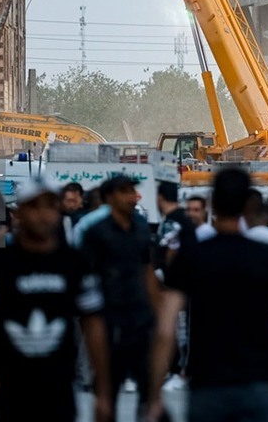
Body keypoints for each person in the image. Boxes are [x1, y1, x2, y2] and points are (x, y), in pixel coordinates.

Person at [148, 168, 268, 422]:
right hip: (258, 384)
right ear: (249, 203)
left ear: (212, 202)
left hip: (207, 385)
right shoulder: (267, 256)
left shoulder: (191, 256)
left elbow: (165, 329)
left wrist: (154, 396)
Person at [0, 174, 110, 422]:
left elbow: (94, 324)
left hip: (60, 385)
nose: (42, 214)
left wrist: (104, 389)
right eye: (34, 206)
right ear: (19, 212)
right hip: (11, 385)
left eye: (50, 206)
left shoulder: (76, 264)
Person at [80, 174, 158, 421]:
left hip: (140, 318)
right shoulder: (95, 232)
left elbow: (147, 269)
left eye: (132, 191)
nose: (131, 197)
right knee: (108, 388)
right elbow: (85, 276)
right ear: (109, 197)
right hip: (108, 319)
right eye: (124, 191)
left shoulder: (141, 227)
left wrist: (157, 312)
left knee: (149, 387)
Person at [155, 180, 197, 270]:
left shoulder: (171, 220)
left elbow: (171, 250)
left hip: (175, 277)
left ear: (160, 198)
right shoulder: (185, 216)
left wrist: (167, 274)